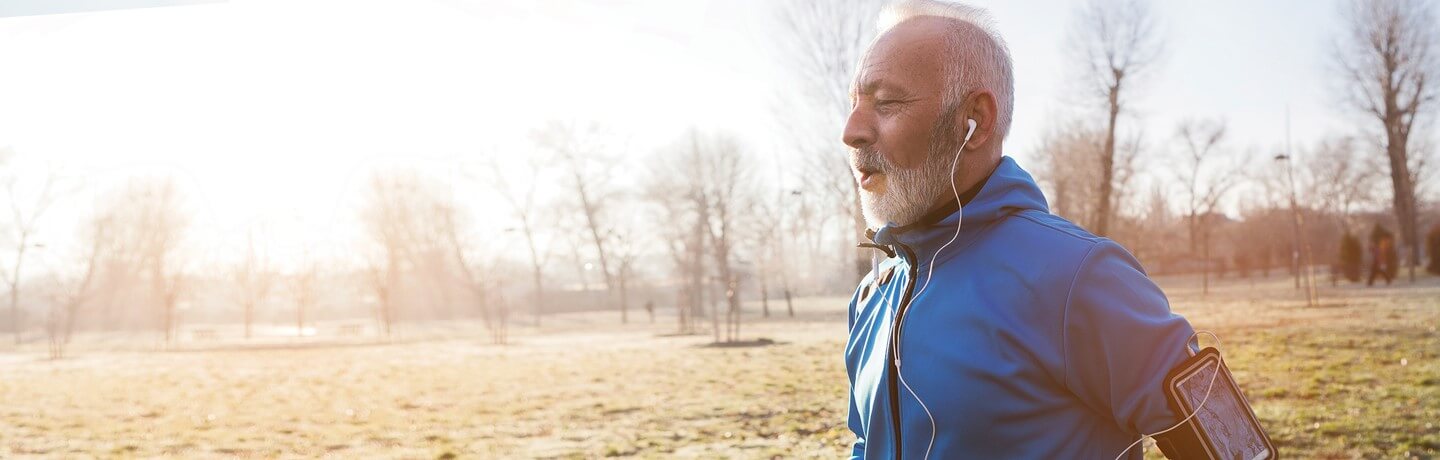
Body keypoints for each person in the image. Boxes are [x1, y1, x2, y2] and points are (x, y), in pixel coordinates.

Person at [841, 1, 1200, 458]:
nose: (850, 131)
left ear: (975, 122)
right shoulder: (872, 295)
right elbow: (866, 444)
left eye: (886, 102)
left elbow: (1232, 448)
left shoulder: (1079, 276)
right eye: (853, 104)